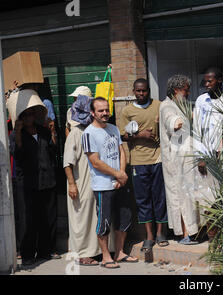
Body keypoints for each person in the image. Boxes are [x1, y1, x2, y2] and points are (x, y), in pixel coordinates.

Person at [82, 97, 138, 268]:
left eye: (106, 110)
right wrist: (118, 175)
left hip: (119, 183)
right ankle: (106, 257)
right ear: (92, 113)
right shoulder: (88, 134)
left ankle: (120, 252)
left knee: (124, 218)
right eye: (101, 111)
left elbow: (122, 152)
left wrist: (121, 175)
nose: (105, 113)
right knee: (104, 222)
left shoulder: (113, 128)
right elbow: (95, 161)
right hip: (102, 186)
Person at [118, 78, 169, 251]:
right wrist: (140, 135)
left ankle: (161, 233)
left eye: (144, 91)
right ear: (134, 91)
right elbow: (122, 136)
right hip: (138, 162)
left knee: (160, 197)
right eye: (138, 91)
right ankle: (149, 236)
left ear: (149, 91)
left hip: (158, 159)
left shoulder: (159, 105)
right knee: (143, 199)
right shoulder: (127, 111)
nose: (141, 94)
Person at [12, 101, 60, 266]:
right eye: (25, 115)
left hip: (47, 180)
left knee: (47, 217)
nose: (28, 118)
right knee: (28, 220)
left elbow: (53, 150)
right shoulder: (17, 133)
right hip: (27, 183)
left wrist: (53, 132)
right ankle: (27, 254)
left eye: (31, 114)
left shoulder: (43, 131)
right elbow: (17, 154)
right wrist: (18, 132)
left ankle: (45, 250)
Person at [160, 74, 201, 245]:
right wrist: (185, 119)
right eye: (185, 89)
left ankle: (194, 231)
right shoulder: (167, 106)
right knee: (180, 196)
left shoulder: (181, 104)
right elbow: (173, 122)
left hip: (187, 159)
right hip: (175, 161)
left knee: (190, 195)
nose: (188, 92)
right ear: (176, 90)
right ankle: (185, 234)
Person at [64, 95, 104, 266]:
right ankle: (80, 254)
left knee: (91, 218)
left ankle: (93, 252)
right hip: (80, 183)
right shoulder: (75, 133)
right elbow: (67, 162)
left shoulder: (92, 131)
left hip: (93, 182)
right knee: (80, 220)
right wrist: (72, 184)